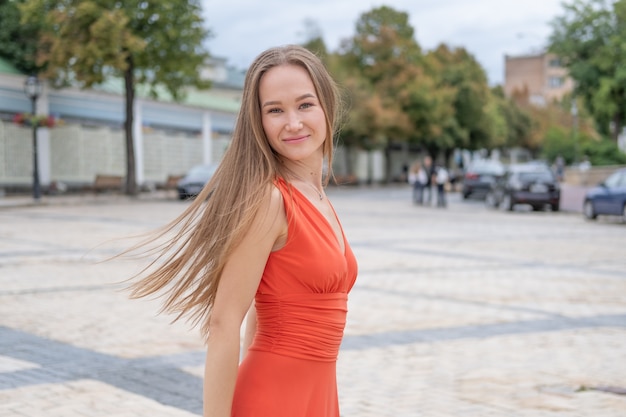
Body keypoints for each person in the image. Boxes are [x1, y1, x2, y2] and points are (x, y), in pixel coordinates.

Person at [125, 45, 358, 417]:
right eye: (275, 110)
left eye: (305, 105)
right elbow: (224, 322)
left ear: (327, 107)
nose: (293, 122)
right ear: (259, 121)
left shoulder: (318, 197)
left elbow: (261, 313)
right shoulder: (269, 201)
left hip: (317, 396)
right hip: (274, 399)